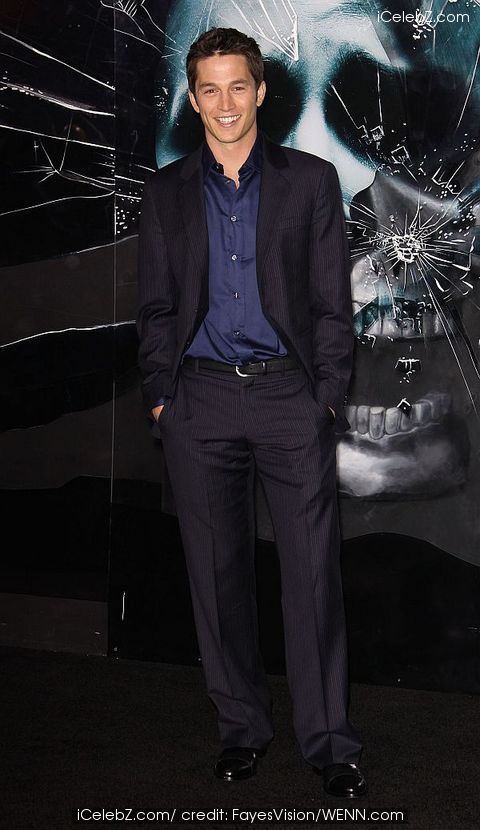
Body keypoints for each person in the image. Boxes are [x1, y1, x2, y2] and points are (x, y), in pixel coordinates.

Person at [136, 26, 366, 798]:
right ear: (193, 98)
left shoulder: (311, 182)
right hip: (197, 403)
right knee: (217, 579)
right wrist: (163, 398)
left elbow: (332, 305)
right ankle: (241, 730)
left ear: (261, 91)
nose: (226, 102)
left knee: (312, 580)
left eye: (239, 85)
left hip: (289, 400)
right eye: (211, 88)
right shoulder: (165, 193)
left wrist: (324, 398)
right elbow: (156, 308)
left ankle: (330, 743)